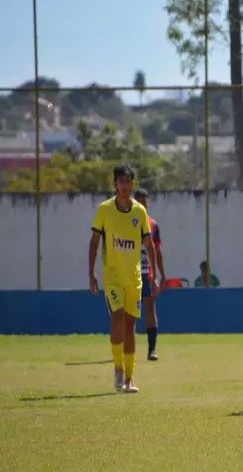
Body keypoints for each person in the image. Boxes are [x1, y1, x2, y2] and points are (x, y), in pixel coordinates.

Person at [88, 165, 158, 393]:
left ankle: (130, 378)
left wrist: (154, 274)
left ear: (132, 184)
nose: (124, 186)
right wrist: (92, 273)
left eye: (128, 182)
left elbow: (149, 244)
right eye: (120, 182)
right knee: (117, 317)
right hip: (113, 277)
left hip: (134, 278)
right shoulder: (104, 210)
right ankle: (118, 370)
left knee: (130, 325)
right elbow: (95, 242)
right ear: (114, 184)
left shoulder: (140, 212)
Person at [134, 189, 166, 361]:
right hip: (130, 272)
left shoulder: (153, 225)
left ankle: (152, 349)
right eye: (138, 202)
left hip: (148, 273)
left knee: (149, 308)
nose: (141, 205)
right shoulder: (126, 222)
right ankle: (127, 348)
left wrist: (162, 275)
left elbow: (158, 251)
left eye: (143, 202)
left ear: (148, 203)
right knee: (128, 312)